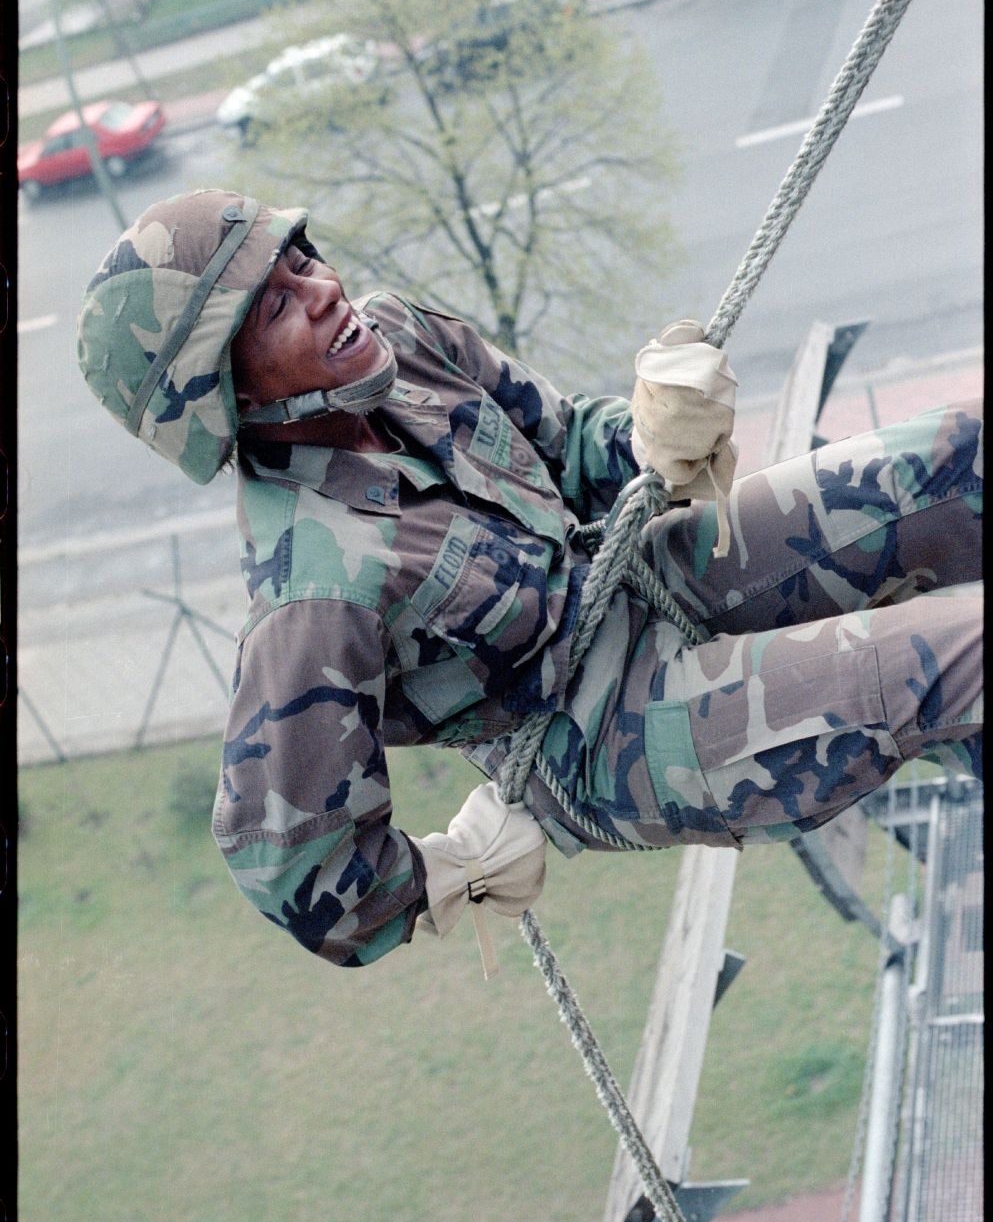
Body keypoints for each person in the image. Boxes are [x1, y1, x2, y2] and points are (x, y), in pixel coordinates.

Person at [77, 189, 983, 971]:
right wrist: (446, 872)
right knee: (964, 655)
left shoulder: (401, 342)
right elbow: (291, 867)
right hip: (615, 739)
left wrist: (651, 435)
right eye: (275, 307)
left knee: (958, 454)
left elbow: (574, 449)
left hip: (642, 576)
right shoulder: (315, 591)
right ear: (226, 399)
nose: (323, 291)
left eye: (301, 259)